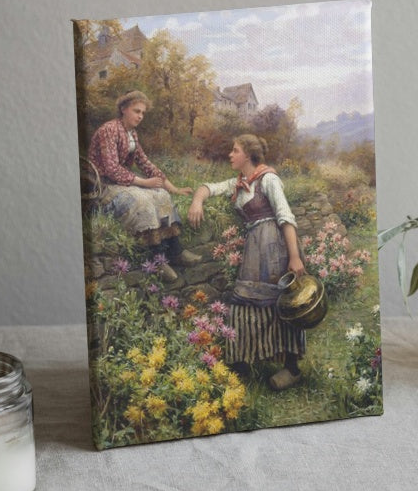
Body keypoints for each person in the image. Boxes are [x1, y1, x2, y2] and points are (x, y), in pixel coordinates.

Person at [188, 134, 306, 390]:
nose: (230, 155)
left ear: (248, 156)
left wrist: (294, 256)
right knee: (244, 301)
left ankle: (292, 367)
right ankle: (244, 361)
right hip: (254, 250)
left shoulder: (269, 180)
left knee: (282, 303)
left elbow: (286, 217)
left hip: (275, 249)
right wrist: (197, 199)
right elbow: (208, 187)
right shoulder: (239, 182)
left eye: (235, 150)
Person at [88, 91, 199, 282]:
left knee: (161, 196)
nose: (140, 116)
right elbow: (112, 169)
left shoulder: (132, 134)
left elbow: (145, 164)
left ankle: (175, 251)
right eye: (136, 111)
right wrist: (143, 183)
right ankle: (157, 260)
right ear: (123, 109)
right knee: (142, 200)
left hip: (123, 182)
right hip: (103, 186)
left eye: (143, 113)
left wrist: (172, 188)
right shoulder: (109, 130)